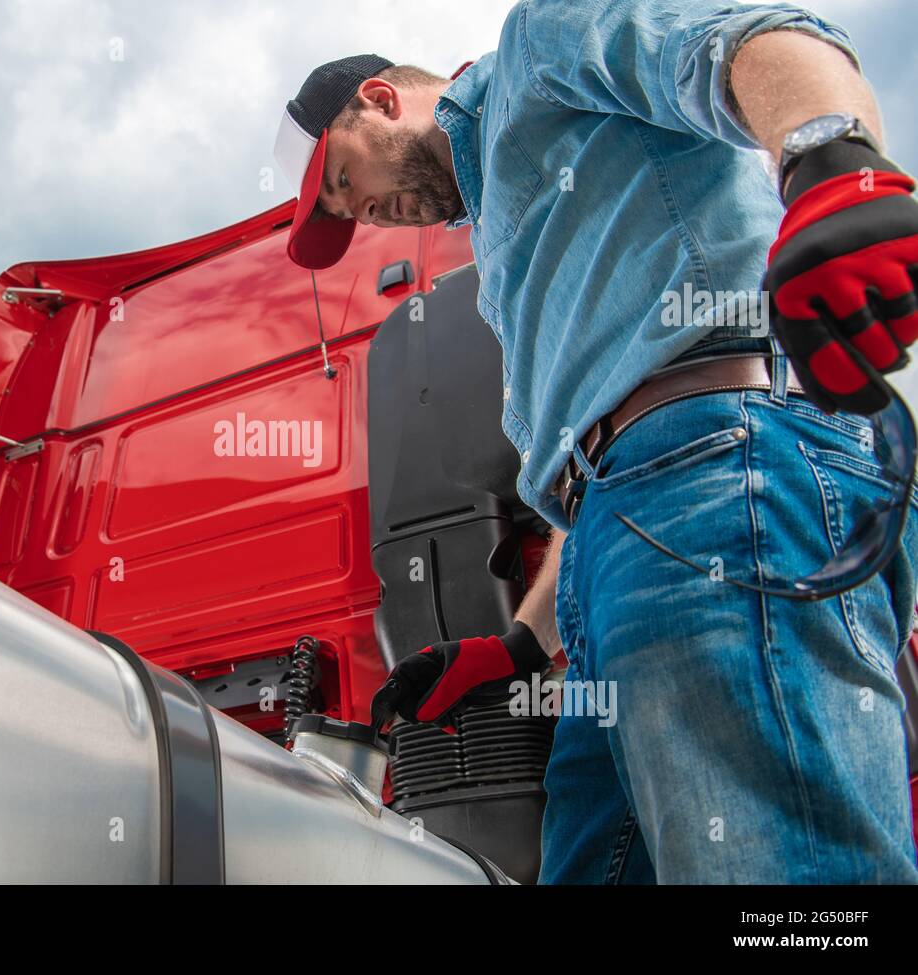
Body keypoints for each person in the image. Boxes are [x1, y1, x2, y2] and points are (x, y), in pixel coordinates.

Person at [272, 0, 918, 883]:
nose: (371, 216)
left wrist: (835, 166)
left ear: (379, 100)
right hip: (625, 534)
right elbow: (599, 446)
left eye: (346, 183)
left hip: (726, 471)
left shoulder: (536, 47)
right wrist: (521, 645)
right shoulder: (498, 237)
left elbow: (754, 38)